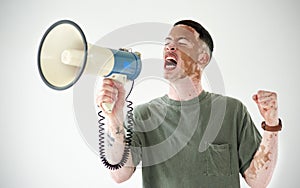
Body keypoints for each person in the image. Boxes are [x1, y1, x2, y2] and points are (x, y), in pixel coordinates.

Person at [96, 20, 281, 188]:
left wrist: (271, 126)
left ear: (203, 58)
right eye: (167, 44)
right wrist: (114, 117)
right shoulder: (143, 115)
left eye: (182, 43)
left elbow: (259, 180)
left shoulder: (232, 111)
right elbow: (119, 174)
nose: (170, 48)